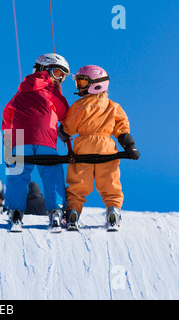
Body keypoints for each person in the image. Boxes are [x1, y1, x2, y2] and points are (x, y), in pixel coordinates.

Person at [60, 65, 140, 230]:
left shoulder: (80, 105)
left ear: (95, 84)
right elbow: (122, 129)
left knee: (79, 183)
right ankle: (113, 211)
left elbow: (69, 128)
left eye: (82, 82)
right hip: (107, 149)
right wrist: (130, 146)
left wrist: (63, 131)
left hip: (83, 147)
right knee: (110, 181)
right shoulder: (113, 106)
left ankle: (73, 212)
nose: (79, 87)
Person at [2, 53, 70, 229]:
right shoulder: (51, 92)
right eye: (57, 73)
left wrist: (7, 140)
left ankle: (15, 211)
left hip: (20, 141)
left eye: (63, 77)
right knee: (52, 173)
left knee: (17, 173)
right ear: (44, 69)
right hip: (45, 140)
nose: (60, 80)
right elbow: (65, 113)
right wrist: (58, 94)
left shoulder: (19, 93)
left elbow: (7, 115)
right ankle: (56, 209)